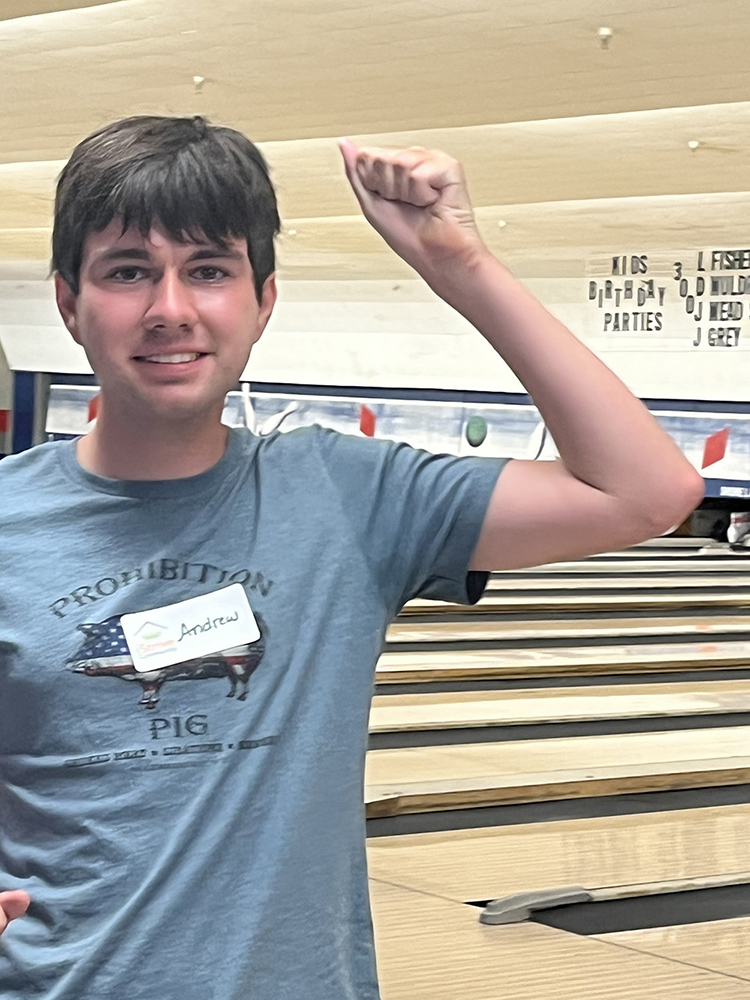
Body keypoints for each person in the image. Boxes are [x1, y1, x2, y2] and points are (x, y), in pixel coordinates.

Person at [0, 115, 703, 998]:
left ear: (264, 301)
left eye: (209, 270)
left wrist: (461, 265)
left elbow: (648, 493)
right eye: (128, 271)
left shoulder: (349, 495)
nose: (170, 308)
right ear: (69, 301)